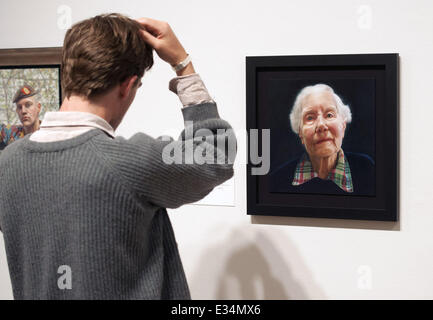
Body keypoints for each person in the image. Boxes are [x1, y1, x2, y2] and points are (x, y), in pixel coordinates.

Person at [0, 13, 236, 299]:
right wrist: (183, 65)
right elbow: (215, 155)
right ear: (127, 85)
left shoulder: (7, 165)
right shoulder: (130, 162)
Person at [270, 83, 374, 195]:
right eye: (310, 117)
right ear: (300, 133)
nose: (321, 125)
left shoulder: (369, 170)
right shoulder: (277, 181)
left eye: (329, 115)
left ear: (343, 126)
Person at [0, 85, 41, 149]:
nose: (23, 111)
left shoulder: (49, 133)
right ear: (17, 111)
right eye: (19, 107)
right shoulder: (11, 133)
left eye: (28, 105)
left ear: (38, 107)